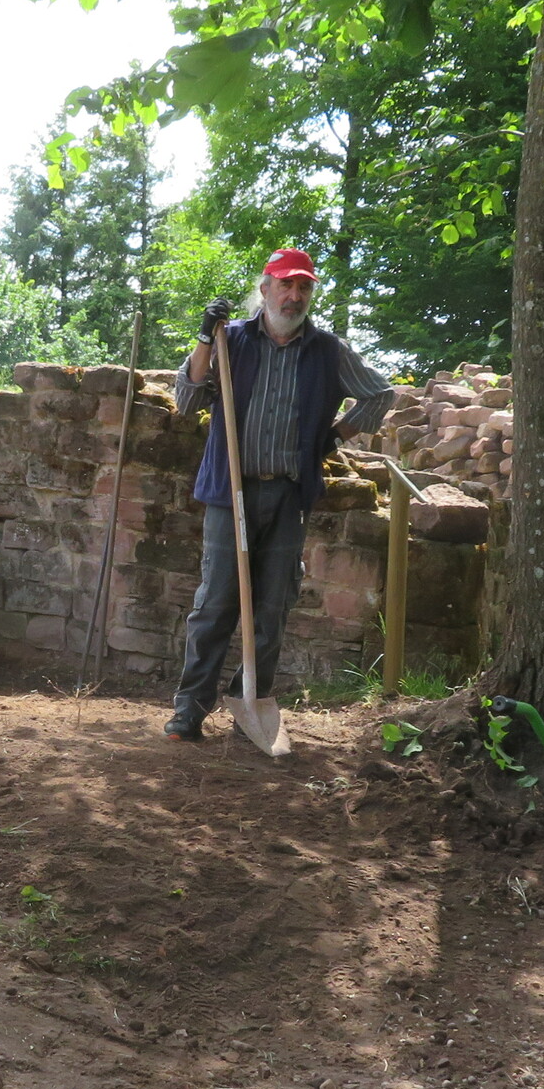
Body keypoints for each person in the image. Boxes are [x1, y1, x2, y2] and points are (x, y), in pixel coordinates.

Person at [167, 248, 394, 741]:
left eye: (304, 286)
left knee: (272, 607)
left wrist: (332, 437)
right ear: (265, 288)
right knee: (215, 604)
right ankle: (190, 709)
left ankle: (250, 702)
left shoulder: (328, 350)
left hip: (289, 495)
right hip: (230, 492)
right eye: (285, 284)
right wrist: (204, 338)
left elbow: (381, 394)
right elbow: (186, 399)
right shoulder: (230, 341)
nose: (294, 295)